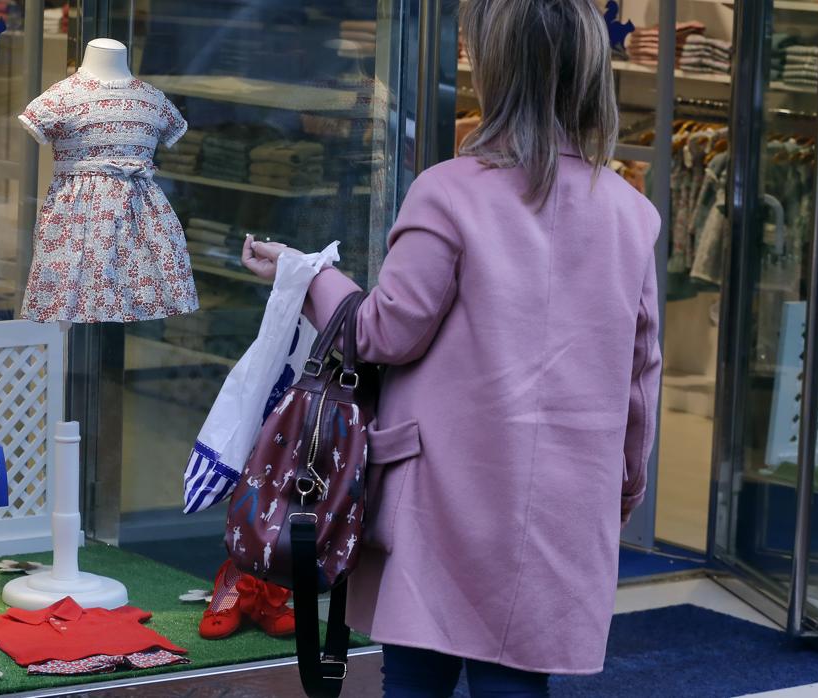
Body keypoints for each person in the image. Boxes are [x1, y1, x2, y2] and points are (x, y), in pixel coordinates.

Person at [241, 0, 662, 695]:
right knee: (518, 682)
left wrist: (309, 275)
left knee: (416, 674)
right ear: (592, 69)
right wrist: (624, 485)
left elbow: (383, 332)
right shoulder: (630, 213)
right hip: (565, 496)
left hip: (442, 494)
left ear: (491, 66)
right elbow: (640, 378)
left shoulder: (448, 193)